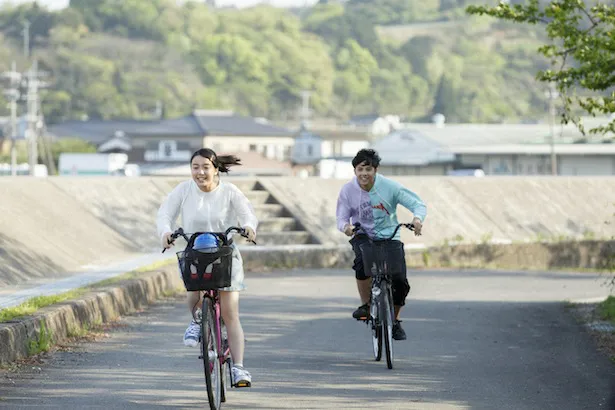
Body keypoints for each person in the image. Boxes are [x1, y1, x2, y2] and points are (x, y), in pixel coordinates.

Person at [157, 148, 257, 387]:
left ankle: (239, 368)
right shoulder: (183, 190)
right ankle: (197, 320)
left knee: (231, 313)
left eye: (205, 167)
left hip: (224, 252)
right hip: (195, 251)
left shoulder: (229, 191)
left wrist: (249, 226)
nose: (200, 172)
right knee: (193, 295)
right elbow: (165, 213)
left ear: (215, 168)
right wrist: (165, 232)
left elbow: (247, 213)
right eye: (195, 167)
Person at [336, 149, 426, 341]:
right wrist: (346, 228)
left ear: (375, 170)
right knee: (361, 264)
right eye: (360, 169)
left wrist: (417, 219)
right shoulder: (348, 190)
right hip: (362, 235)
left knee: (400, 281)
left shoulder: (390, 187)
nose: (364, 174)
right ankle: (366, 306)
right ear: (355, 171)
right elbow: (341, 217)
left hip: (390, 236)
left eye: (368, 169)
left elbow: (417, 204)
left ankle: (395, 320)